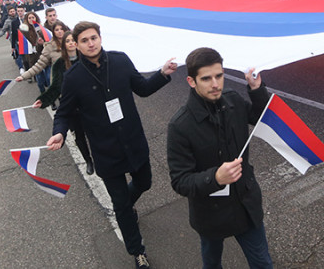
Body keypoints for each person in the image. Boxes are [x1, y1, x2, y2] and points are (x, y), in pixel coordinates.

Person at [46, 21, 177, 269]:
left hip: (133, 141)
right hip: (105, 151)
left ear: (100, 38)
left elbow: (143, 89)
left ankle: (125, 206)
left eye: (93, 38)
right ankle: (138, 252)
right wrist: (59, 133)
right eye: (84, 40)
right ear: (77, 45)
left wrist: (162, 74)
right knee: (121, 205)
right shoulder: (73, 77)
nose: (90, 43)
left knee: (144, 182)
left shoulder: (120, 60)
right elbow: (63, 113)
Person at [167, 48, 273, 269]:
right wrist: (215, 177)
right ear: (191, 81)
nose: (215, 84)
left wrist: (257, 90)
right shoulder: (180, 126)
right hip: (210, 213)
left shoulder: (233, 101)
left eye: (219, 76)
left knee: (262, 263)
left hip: (245, 204)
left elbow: (261, 118)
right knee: (212, 262)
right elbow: (180, 181)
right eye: (206, 78)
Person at [31, 27, 94, 174]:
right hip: (72, 107)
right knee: (79, 136)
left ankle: (100, 157)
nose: (71, 43)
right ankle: (88, 160)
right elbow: (56, 86)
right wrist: (44, 100)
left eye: (73, 40)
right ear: (64, 45)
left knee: (95, 133)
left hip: (90, 105)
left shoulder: (86, 58)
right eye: (68, 41)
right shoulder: (59, 64)